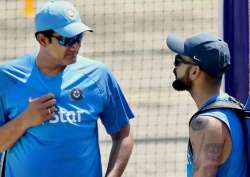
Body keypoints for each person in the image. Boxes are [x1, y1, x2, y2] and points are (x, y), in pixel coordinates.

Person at [0, 1, 134, 177]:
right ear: (42, 39)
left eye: (79, 38)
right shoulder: (7, 78)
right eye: (67, 39)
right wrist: (25, 120)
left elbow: (123, 135)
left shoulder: (98, 76)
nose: (76, 46)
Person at [166, 32, 247, 177]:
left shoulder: (206, 124)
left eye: (179, 60)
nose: (174, 66)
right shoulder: (233, 106)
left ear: (194, 71)